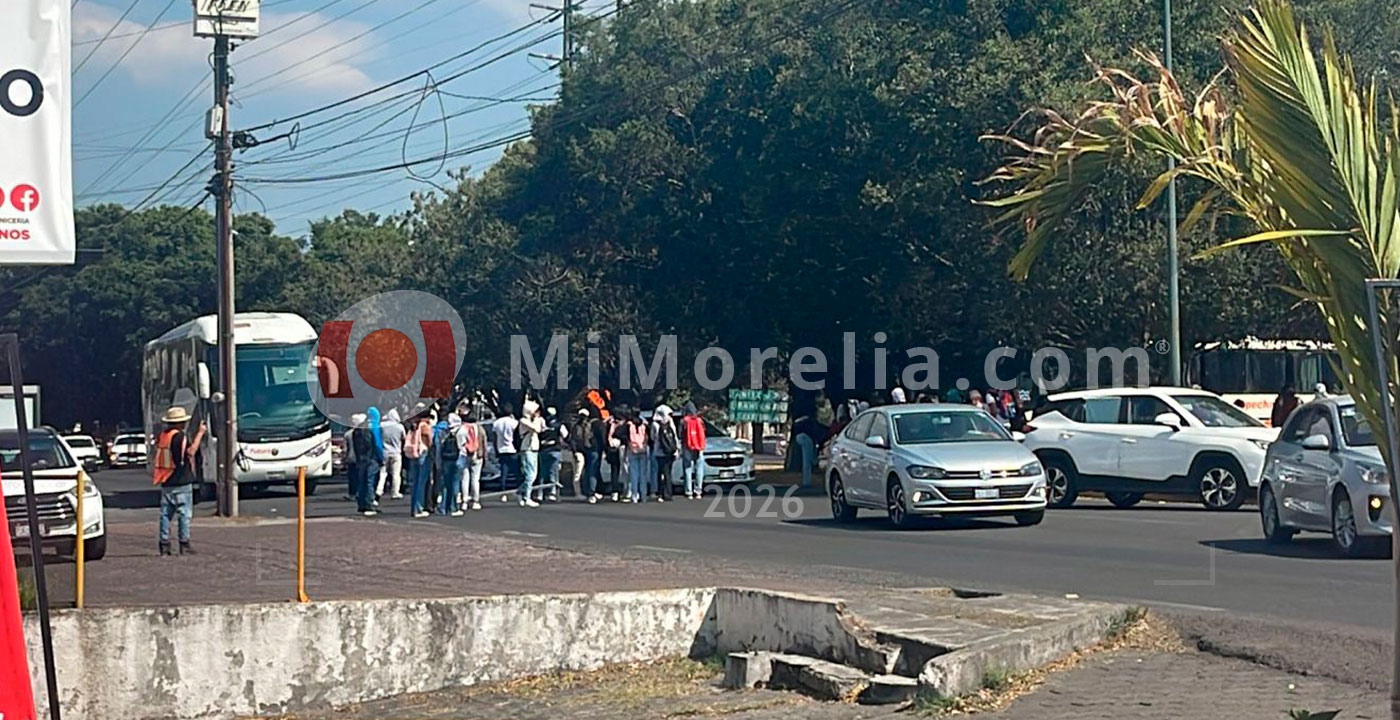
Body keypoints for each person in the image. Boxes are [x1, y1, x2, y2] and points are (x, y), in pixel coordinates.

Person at [153, 406, 206, 555]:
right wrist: (200, 434)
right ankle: (184, 543)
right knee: (184, 513)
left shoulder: (163, 436)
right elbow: (190, 452)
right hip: (182, 480)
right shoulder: (180, 437)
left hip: (166, 478)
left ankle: (164, 544)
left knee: (165, 514)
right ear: (181, 423)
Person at [352, 410, 384, 516]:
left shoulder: (359, 427)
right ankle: (369, 504)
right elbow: (378, 444)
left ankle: (361, 504)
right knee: (370, 481)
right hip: (372, 457)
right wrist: (381, 457)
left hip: (361, 458)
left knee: (362, 481)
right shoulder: (374, 427)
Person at [516, 400, 544, 507]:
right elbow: (536, 429)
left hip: (534, 448)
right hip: (526, 449)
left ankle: (520, 492)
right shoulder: (523, 421)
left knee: (534, 474)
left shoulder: (535, 420)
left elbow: (540, 429)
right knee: (530, 475)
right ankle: (527, 496)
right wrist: (536, 419)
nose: (537, 413)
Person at [405, 413, 434, 517]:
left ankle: (414, 508)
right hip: (423, 454)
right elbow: (429, 441)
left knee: (415, 482)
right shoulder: (424, 426)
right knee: (421, 482)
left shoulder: (414, 426)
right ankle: (419, 508)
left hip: (414, 453)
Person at [437, 414, 466, 516]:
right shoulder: (461, 430)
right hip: (458, 458)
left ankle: (443, 507)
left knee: (445, 484)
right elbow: (462, 446)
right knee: (455, 483)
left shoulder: (443, 431)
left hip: (445, 459)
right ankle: (453, 507)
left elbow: (439, 446)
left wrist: (439, 461)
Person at [377, 409, 406, 500]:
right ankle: (395, 492)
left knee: (383, 472)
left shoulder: (382, 425)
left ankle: (379, 490)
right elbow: (404, 438)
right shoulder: (400, 426)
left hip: (384, 452)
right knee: (396, 473)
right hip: (396, 452)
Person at [652, 405, 679, 501]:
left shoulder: (655, 424)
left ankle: (660, 492)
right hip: (670, 451)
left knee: (660, 473)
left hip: (659, 452)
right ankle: (668, 492)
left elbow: (653, 437)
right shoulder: (670, 422)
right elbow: (674, 436)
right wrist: (676, 449)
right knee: (668, 473)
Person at [460, 407, 485, 511]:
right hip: (477, 454)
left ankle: (464, 501)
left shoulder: (463, 428)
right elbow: (483, 442)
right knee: (475, 479)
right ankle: (475, 501)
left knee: (465, 479)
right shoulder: (480, 428)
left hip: (465, 454)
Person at [792, 413, 825, 490]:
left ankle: (806, 480)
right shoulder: (812, 423)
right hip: (807, 437)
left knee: (807, 460)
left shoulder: (801, 420)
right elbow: (816, 436)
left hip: (799, 436)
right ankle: (806, 481)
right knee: (807, 460)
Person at [680, 402, 706, 499]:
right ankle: (698, 491)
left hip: (687, 446)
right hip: (699, 446)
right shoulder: (700, 421)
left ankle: (688, 491)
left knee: (687, 468)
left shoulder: (684, 421)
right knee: (699, 468)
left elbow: (681, 434)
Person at [492, 402, 520, 493]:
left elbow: (494, 438)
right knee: (517, 471)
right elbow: (517, 436)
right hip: (512, 449)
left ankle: (503, 490)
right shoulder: (514, 422)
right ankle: (519, 489)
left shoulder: (496, 423)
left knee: (504, 470)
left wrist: (496, 450)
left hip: (501, 449)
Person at [538, 407, 565, 502]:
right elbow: (565, 435)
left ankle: (540, 493)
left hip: (543, 450)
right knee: (553, 473)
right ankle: (552, 493)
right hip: (555, 450)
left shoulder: (540, 422)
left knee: (542, 473)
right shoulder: (559, 424)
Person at [624, 409, 649, 503]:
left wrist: (629, 445)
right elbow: (648, 436)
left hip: (632, 449)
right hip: (643, 449)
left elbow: (624, 436)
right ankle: (643, 495)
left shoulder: (629, 425)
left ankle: (634, 495)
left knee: (634, 473)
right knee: (643, 474)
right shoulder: (644, 424)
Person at [568, 407, 590, 499]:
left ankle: (584, 491)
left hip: (585, 451)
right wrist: (575, 452)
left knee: (584, 473)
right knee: (577, 473)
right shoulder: (576, 427)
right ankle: (578, 493)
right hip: (578, 452)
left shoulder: (587, 426)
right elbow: (573, 440)